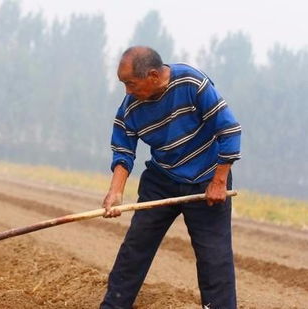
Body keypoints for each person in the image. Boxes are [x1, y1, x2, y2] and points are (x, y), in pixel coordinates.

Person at [100, 46, 241, 309]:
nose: (127, 91)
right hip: (162, 179)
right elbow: (123, 149)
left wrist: (219, 181)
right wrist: (115, 192)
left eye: (130, 83)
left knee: (214, 259)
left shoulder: (191, 83)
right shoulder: (131, 107)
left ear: (153, 75)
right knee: (134, 249)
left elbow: (230, 130)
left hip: (206, 179)